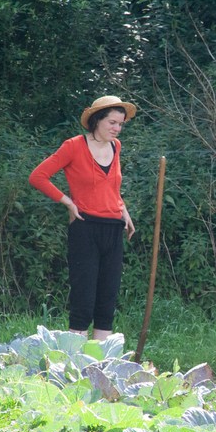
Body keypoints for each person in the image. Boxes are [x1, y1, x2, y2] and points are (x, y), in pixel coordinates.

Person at [28, 95, 137, 341]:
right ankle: (76, 364)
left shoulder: (115, 146)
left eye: (121, 124)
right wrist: (67, 202)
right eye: (112, 122)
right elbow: (38, 176)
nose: (117, 128)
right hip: (85, 229)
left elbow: (111, 187)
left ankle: (101, 365)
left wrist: (124, 210)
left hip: (114, 229)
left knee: (107, 299)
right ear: (96, 120)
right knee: (84, 298)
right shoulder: (74, 146)